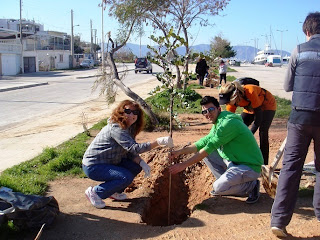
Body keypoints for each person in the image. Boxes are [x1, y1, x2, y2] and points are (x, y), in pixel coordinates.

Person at [270, 12, 320, 238]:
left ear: (307, 31)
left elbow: (288, 86)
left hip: (299, 118)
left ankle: (279, 221)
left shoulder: (298, 50)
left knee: (291, 168)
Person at [169, 96, 263, 204]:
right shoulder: (218, 122)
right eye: (204, 111)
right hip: (233, 161)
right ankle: (226, 181)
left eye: (211, 109)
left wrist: (183, 165)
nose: (208, 113)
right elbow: (202, 143)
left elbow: (208, 148)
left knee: (218, 188)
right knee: (205, 151)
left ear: (219, 109)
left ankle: (251, 186)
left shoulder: (227, 124)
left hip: (248, 166)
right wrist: (179, 152)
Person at [82, 100, 174, 209]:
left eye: (135, 113)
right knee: (125, 177)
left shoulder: (129, 128)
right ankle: (96, 192)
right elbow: (134, 148)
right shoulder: (117, 128)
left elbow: (129, 151)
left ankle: (114, 191)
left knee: (135, 167)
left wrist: (140, 162)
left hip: (111, 161)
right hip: (94, 166)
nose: (131, 115)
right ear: (121, 111)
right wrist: (157, 142)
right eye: (128, 111)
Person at [219, 81, 276, 165]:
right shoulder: (231, 101)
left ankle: (263, 163)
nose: (227, 103)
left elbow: (258, 118)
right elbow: (228, 121)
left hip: (267, 105)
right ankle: (238, 157)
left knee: (263, 131)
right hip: (251, 106)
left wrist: (249, 133)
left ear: (234, 96)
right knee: (240, 127)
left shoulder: (250, 91)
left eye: (227, 101)